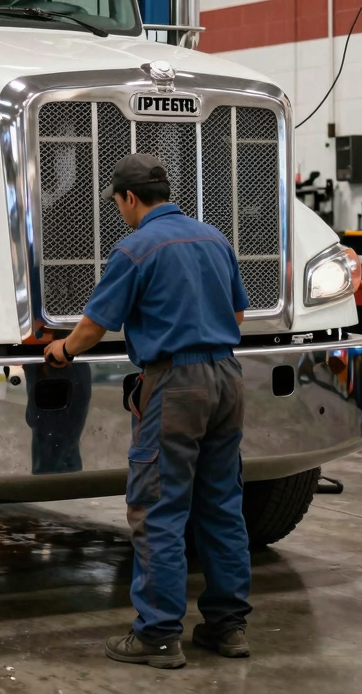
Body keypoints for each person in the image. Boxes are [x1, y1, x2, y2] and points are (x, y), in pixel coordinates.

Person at [44, 152, 252, 670]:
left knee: (158, 508)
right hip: (227, 376)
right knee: (222, 505)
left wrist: (62, 351)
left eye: (118, 203)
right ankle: (228, 628)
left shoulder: (134, 249)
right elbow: (239, 312)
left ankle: (158, 635)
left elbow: (93, 327)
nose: (120, 212)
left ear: (130, 198)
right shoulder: (214, 238)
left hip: (175, 384)